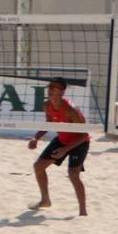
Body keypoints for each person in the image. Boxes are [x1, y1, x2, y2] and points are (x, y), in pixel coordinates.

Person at [27, 76, 89, 216]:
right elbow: (49, 123)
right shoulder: (47, 105)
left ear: (61, 92)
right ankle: (45, 200)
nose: (49, 91)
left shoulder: (70, 110)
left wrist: (65, 150)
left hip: (79, 142)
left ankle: (83, 212)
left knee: (73, 175)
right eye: (49, 88)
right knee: (38, 166)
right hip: (62, 139)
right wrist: (36, 137)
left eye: (53, 88)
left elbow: (84, 135)